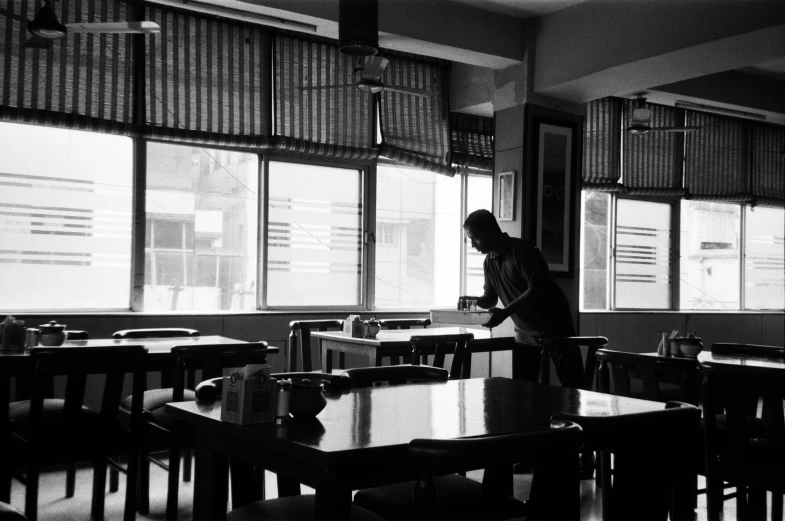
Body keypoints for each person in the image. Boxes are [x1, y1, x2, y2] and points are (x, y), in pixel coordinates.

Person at [463, 209, 584, 387]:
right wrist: (474, 301)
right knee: (523, 394)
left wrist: (505, 313)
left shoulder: (523, 251)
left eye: (475, 238)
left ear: (489, 230)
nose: (473, 245)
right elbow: (490, 298)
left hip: (557, 328)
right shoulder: (489, 261)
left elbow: (537, 288)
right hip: (525, 333)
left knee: (576, 389)